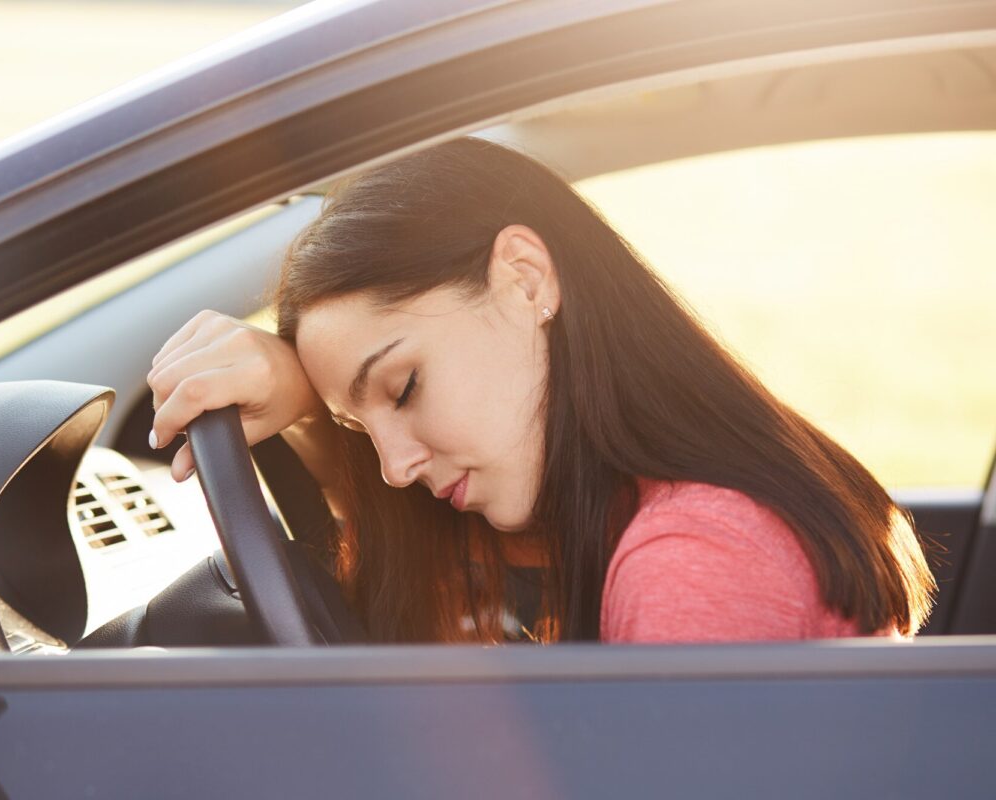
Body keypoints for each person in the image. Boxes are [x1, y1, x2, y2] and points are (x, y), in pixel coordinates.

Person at [146, 137, 936, 644]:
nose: (392, 468)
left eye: (405, 385)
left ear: (525, 279)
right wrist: (314, 398)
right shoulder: (625, 510)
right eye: (362, 430)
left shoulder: (692, 564)